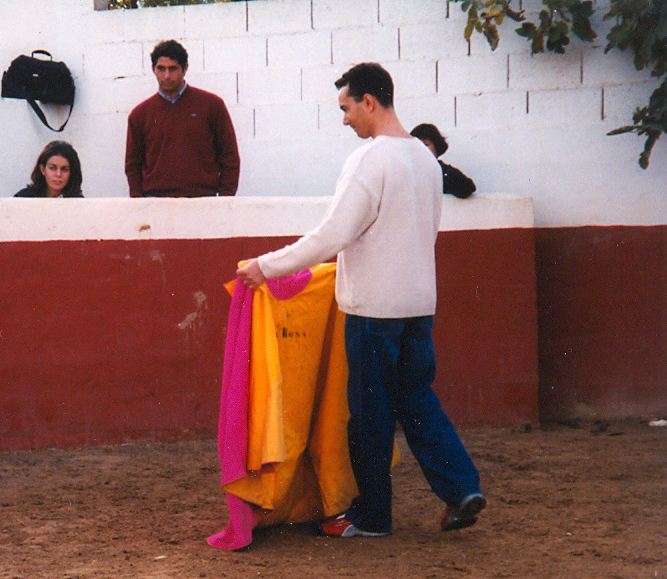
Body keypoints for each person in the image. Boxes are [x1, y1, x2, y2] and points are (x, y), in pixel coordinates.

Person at [236, 62, 485, 538]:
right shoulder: (425, 162)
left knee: (370, 414)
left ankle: (373, 515)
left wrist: (264, 267)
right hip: (419, 305)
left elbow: (332, 234)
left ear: (369, 101)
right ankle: (461, 488)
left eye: (347, 108)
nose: (345, 119)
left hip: (374, 311)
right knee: (417, 401)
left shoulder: (370, 161)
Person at [124, 40, 240, 198]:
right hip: (156, 203)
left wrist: (225, 199)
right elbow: (133, 165)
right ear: (153, 69)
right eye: (161, 69)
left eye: (173, 69)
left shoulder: (212, 105)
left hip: (203, 200)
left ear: (185, 68)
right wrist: (139, 203)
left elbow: (229, 156)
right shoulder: (140, 115)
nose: (166, 75)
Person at [410, 123, 476, 198]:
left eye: (426, 144)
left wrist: (446, 175)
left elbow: (467, 189)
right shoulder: (407, 171)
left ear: (437, 147)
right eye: (417, 144)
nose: (421, 149)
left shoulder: (445, 171)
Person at [14, 141, 84, 198]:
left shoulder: (79, 203)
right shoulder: (24, 198)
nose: (58, 174)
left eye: (64, 169)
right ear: (43, 169)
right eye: (52, 168)